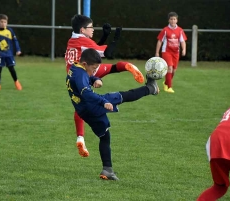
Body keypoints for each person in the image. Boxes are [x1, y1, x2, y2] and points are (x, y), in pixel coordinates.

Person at [66, 48, 159, 180]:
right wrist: (103, 101)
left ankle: (107, 170)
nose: (94, 70)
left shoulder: (75, 67)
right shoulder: (81, 74)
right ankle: (151, 88)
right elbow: (86, 92)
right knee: (123, 96)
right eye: (94, 68)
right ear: (85, 64)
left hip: (84, 111)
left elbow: (81, 80)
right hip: (93, 106)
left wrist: (94, 79)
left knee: (104, 136)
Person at [65, 14, 145, 157]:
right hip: (86, 71)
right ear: (82, 30)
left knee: (79, 106)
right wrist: (115, 37)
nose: (93, 30)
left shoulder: (72, 39)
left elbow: (92, 50)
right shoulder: (84, 41)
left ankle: (80, 138)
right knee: (113, 68)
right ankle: (128, 66)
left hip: (72, 76)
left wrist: (104, 36)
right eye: (91, 27)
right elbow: (106, 52)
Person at [155, 12, 187, 93]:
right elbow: (159, 41)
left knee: (174, 70)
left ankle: (166, 83)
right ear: (169, 20)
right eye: (171, 19)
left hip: (176, 53)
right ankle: (169, 87)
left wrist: (184, 49)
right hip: (166, 52)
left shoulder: (180, 30)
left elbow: (183, 41)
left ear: (177, 20)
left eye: (174, 19)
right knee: (169, 68)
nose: (173, 21)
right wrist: (157, 52)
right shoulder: (165, 30)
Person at [0, 14, 22, 91]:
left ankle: (17, 82)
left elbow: (15, 41)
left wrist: (18, 49)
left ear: (7, 22)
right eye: (1, 22)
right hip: (0, 54)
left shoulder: (10, 31)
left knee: (11, 68)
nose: (3, 23)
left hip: (9, 54)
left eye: (5, 22)